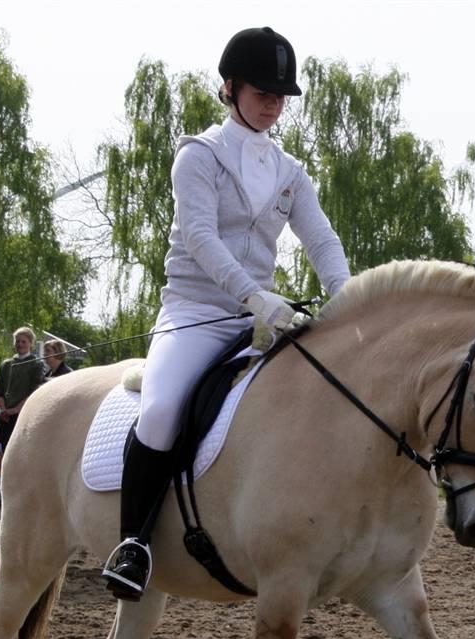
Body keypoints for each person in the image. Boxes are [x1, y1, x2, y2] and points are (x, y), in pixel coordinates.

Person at [102, 26, 350, 601]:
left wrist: (347, 296)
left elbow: (321, 239)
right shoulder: (199, 155)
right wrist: (252, 294)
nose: (273, 102)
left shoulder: (290, 172)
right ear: (230, 87)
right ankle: (132, 544)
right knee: (162, 409)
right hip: (195, 312)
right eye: (263, 90)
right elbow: (199, 236)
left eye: (281, 94)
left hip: (259, 319)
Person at [0, 327, 45, 452]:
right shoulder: (5, 364)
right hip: (4, 415)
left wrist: (16, 410)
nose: (20, 344)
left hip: (23, 413)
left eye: (24, 341)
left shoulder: (36, 363)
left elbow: (34, 391)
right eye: (17, 341)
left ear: (30, 344)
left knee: (20, 449)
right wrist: (3, 409)